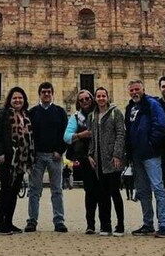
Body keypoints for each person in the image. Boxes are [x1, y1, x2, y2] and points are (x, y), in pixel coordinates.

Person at [125, 79, 165, 238]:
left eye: (137, 89)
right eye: (131, 90)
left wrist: (152, 143)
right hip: (137, 156)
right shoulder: (130, 107)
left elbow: (160, 125)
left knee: (158, 188)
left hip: (151, 154)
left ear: (143, 89)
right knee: (143, 191)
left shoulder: (152, 104)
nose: (134, 92)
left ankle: (164, 224)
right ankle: (148, 224)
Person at [0, 86, 35, 235]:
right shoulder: (2, 114)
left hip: (21, 159)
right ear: (10, 99)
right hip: (8, 158)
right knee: (6, 190)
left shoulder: (25, 115)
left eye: (20, 98)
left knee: (14, 191)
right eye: (15, 98)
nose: (17, 100)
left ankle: (8, 222)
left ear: (24, 100)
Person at [25, 82, 69, 233]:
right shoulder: (32, 113)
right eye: (43, 92)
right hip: (37, 156)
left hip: (54, 156)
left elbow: (66, 133)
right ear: (39, 94)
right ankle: (32, 220)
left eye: (49, 92)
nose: (46, 94)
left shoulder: (60, 112)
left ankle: (59, 221)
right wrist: (31, 154)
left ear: (52, 94)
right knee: (33, 190)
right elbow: (28, 135)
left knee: (57, 190)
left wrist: (60, 150)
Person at [88, 86, 126, 236]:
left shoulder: (115, 112)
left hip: (112, 159)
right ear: (95, 99)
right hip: (98, 160)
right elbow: (92, 137)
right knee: (102, 194)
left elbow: (121, 134)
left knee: (114, 192)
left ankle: (120, 224)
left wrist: (117, 155)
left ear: (107, 97)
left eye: (103, 96)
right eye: (98, 96)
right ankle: (106, 224)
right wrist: (90, 154)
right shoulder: (93, 115)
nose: (101, 98)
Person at [64, 89, 98, 233]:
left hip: (102, 156)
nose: (85, 101)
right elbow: (66, 136)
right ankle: (90, 224)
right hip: (85, 158)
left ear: (92, 99)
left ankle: (105, 223)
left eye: (87, 98)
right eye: (82, 99)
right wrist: (81, 135)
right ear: (78, 102)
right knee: (90, 190)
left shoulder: (102, 113)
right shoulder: (76, 117)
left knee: (103, 191)